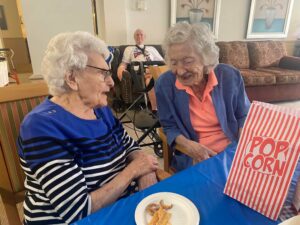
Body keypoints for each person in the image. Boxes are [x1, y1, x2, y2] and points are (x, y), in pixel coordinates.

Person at [18, 31, 159, 225]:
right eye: (103, 73)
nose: (111, 82)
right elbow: (79, 210)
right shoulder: (41, 127)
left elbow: (131, 147)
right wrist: (133, 171)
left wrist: (146, 173)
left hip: (119, 209)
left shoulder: (100, 110)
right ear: (72, 79)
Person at [155, 23, 250, 172]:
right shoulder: (164, 85)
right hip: (193, 155)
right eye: (173, 63)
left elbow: (244, 115)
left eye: (187, 61)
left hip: (232, 149)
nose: (180, 71)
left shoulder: (229, 76)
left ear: (206, 57)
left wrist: (242, 148)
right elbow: (169, 126)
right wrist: (190, 147)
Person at [117, 28, 164, 111]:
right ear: (134, 37)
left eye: (141, 34)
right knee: (149, 77)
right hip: (140, 70)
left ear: (145, 37)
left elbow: (162, 61)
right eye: (137, 35)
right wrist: (120, 69)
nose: (139, 36)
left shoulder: (152, 49)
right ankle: (155, 108)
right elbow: (124, 63)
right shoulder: (129, 49)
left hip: (155, 69)